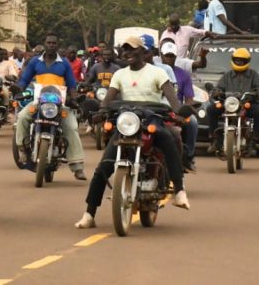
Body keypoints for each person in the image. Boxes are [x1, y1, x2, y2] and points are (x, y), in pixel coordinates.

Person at [74, 35, 191, 229]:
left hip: (152, 119)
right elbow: (108, 99)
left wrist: (179, 113)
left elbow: (172, 99)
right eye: (125, 49)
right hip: (127, 122)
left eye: (132, 49)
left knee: (170, 139)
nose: (128, 53)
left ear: (144, 52)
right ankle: (89, 213)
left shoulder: (157, 73)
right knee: (103, 168)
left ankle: (179, 191)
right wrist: (100, 112)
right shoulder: (120, 75)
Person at [13, 32, 87, 180]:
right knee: (22, 117)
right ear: (45, 44)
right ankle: (23, 149)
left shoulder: (64, 63)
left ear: (57, 45)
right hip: (38, 102)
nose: (51, 45)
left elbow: (72, 84)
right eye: (49, 43)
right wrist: (18, 90)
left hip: (59, 104)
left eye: (54, 43)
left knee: (71, 126)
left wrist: (74, 99)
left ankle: (77, 166)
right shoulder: (35, 61)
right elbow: (25, 80)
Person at [203, 47, 259, 156]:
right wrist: (216, 92)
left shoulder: (253, 75)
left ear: (247, 61)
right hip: (229, 103)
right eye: (237, 60)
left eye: (241, 60)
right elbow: (219, 88)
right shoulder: (227, 75)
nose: (239, 62)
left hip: (246, 104)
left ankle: (252, 141)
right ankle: (215, 140)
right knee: (211, 109)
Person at [159, 41, 200, 172]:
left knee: (192, 122)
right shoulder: (154, 72)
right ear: (161, 56)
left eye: (172, 56)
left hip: (177, 110)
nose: (169, 58)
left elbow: (189, 98)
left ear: (176, 57)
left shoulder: (183, 75)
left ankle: (189, 157)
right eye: (167, 56)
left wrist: (184, 111)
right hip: (158, 108)